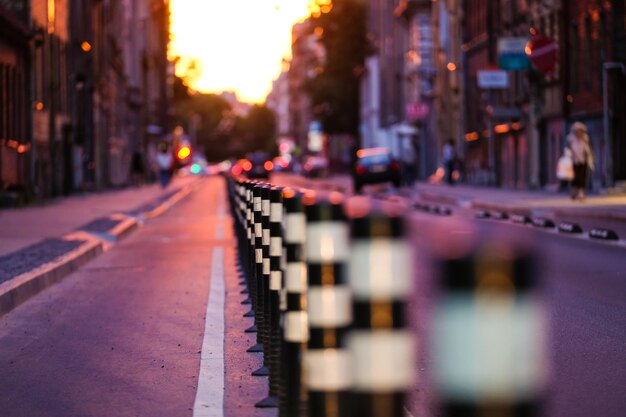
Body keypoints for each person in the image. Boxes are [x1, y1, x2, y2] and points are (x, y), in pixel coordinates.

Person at [567, 121, 594, 200]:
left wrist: (590, 161)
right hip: (574, 162)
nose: (579, 132)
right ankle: (574, 191)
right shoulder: (571, 139)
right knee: (574, 178)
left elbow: (589, 151)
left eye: (580, 131)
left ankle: (581, 193)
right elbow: (568, 150)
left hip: (583, 161)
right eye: (577, 131)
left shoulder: (585, 139)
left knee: (582, 177)